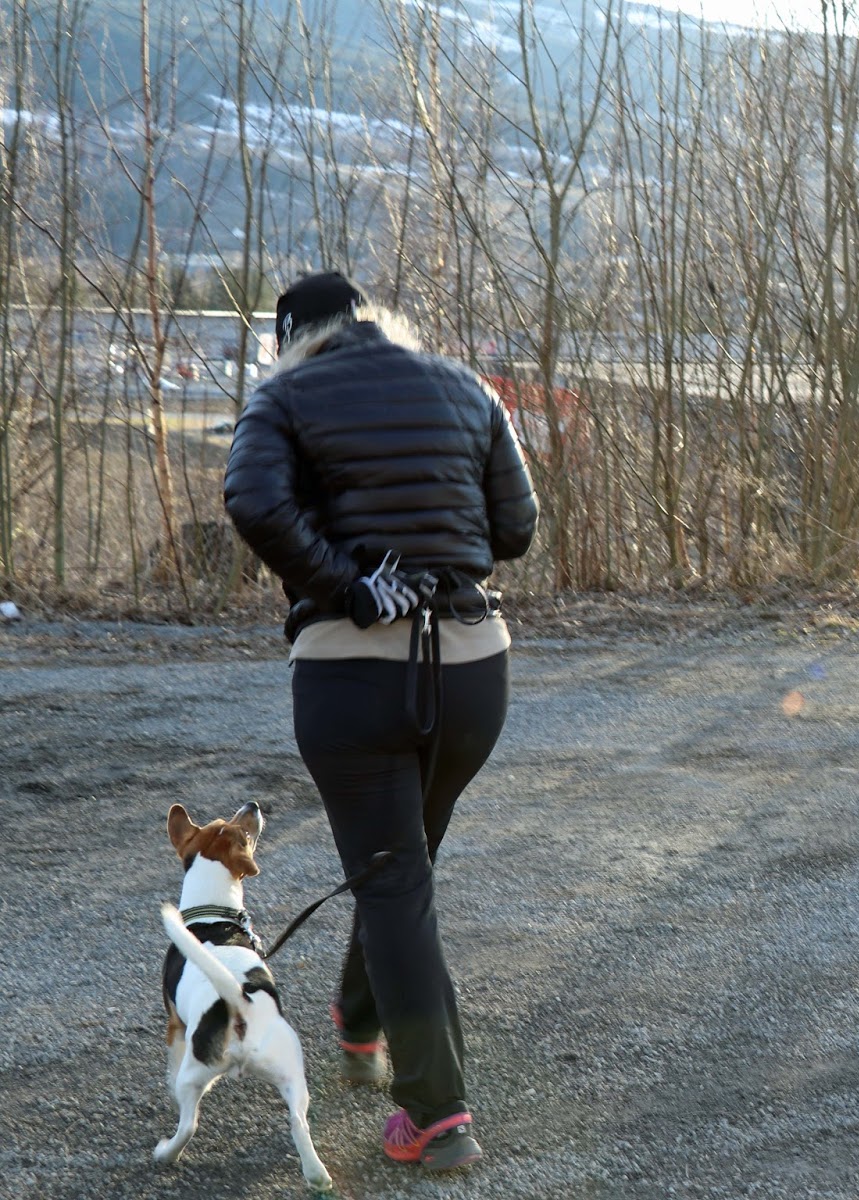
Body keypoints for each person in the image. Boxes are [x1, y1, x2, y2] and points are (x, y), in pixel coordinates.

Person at [224, 271, 539, 1172]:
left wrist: (347, 584)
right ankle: (360, 1023)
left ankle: (437, 1115)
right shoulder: (465, 386)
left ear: (291, 338)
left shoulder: (283, 395)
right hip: (473, 672)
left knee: (394, 876)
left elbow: (253, 502)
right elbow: (516, 529)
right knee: (401, 863)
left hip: (354, 676)